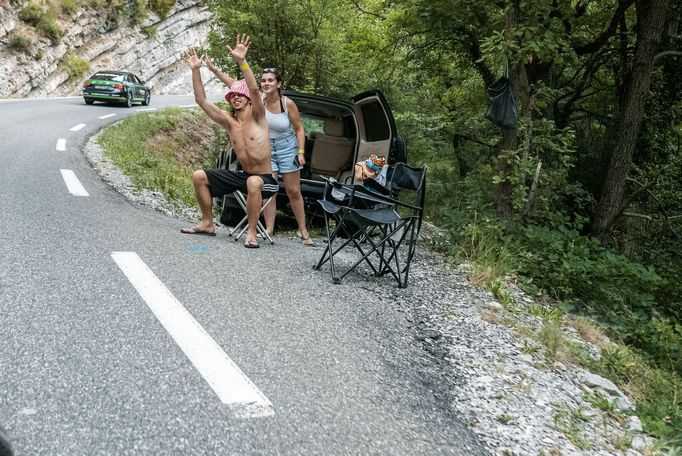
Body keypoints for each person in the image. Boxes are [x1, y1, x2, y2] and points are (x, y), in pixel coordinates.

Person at [179, 35, 278, 248]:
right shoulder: (228, 121)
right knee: (199, 176)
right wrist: (196, 70)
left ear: (250, 100)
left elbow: (253, 88)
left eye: (239, 95)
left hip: (265, 179)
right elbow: (201, 100)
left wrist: (243, 62)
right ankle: (207, 223)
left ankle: (251, 232)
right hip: (243, 175)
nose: (236, 97)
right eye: (232, 95)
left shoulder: (259, 116)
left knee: (253, 182)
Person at [204, 57, 313, 245]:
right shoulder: (257, 99)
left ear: (278, 84)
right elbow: (234, 85)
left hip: (287, 148)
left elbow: (299, 128)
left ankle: (303, 230)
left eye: (271, 80)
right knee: (267, 187)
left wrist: (301, 152)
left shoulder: (287, 104)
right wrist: (214, 70)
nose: (266, 83)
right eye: (263, 80)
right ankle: (268, 228)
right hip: (265, 148)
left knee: (293, 191)